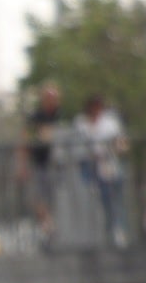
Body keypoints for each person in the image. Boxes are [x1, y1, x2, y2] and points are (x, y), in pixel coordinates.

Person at [76, 94, 130, 247]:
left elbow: (121, 144)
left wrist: (114, 148)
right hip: (91, 168)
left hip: (109, 166)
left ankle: (118, 231)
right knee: (101, 202)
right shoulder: (81, 123)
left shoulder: (110, 123)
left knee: (114, 199)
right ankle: (104, 233)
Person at [20, 81, 65, 243]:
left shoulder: (62, 116)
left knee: (59, 198)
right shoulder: (35, 117)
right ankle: (48, 227)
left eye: (55, 97)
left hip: (61, 165)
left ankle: (58, 230)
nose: (52, 101)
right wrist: (23, 166)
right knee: (39, 200)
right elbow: (25, 140)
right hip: (41, 164)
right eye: (49, 97)